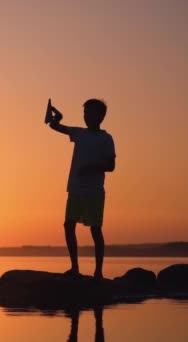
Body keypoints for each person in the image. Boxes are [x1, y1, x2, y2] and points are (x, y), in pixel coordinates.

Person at [48, 99, 116, 280]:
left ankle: (98, 272)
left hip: (94, 192)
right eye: (85, 113)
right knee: (69, 226)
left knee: (95, 230)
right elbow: (55, 127)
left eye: (90, 113)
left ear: (101, 116)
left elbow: (111, 165)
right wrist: (56, 118)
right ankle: (75, 268)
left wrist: (91, 167)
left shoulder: (106, 139)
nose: (86, 117)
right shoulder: (79, 133)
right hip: (75, 190)